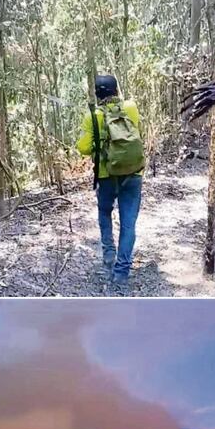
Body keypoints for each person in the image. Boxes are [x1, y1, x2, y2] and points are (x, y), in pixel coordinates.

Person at [76, 74, 145, 286]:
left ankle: (108, 253)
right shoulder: (130, 108)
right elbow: (138, 132)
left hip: (107, 177)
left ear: (97, 94)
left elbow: (83, 148)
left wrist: (100, 142)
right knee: (128, 223)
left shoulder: (92, 117)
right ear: (116, 91)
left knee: (105, 212)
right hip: (133, 174)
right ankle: (122, 272)